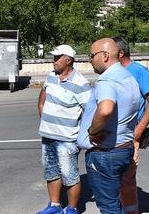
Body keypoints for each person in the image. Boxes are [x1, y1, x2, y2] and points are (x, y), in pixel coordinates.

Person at [77, 38, 140, 214]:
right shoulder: (128, 77)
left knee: (109, 207)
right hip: (123, 149)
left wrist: (92, 131)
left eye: (91, 55)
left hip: (105, 154)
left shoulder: (107, 80)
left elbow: (105, 110)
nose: (89, 60)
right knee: (115, 203)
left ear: (104, 56)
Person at [36, 44, 92, 214]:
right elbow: (43, 95)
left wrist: (81, 135)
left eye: (57, 58)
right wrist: (43, 111)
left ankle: (72, 209)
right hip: (48, 135)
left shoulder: (80, 83)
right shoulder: (51, 76)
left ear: (68, 60)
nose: (53, 61)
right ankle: (54, 206)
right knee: (51, 172)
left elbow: (88, 111)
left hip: (67, 139)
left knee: (70, 175)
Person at [112, 36, 149, 214]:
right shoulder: (112, 72)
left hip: (130, 136)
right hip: (112, 135)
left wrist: (138, 131)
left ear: (121, 52)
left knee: (127, 181)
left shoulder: (139, 71)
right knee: (113, 181)